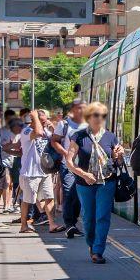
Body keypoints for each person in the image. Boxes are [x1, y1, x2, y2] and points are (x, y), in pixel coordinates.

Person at [65, 102, 124, 264]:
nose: (99, 119)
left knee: (103, 217)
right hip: (84, 183)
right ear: (88, 117)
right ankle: (91, 245)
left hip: (107, 182)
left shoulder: (110, 137)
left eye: (103, 116)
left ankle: (98, 250)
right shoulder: (78, 136)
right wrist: (83, 174)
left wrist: (119, 156)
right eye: (96, 115)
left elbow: (117, 163)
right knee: (88, 217)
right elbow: (69, 161)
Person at [17, 109, 63, 234]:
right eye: (41, 121)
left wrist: (52, 126)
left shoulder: (45, 130)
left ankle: (52, 224)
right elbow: (37, 133)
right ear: (33, 120)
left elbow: (54, 139)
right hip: (30, 173)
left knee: (49, 198)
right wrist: (36, 118)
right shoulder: (26, 131)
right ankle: (23, 225)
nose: (44, 124)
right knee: (28, 200)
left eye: (45, 121)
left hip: (44, 172)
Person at [52, 100, 85, 239]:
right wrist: (66, 154)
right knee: (68, 192)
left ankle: (73, 221)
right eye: (79, 108)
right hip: (68, 164)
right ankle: (69, 224)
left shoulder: (89, 124)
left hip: (84, 165)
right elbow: (54, 141)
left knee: (78, 195)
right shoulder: (64, 124)